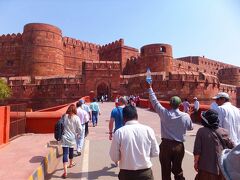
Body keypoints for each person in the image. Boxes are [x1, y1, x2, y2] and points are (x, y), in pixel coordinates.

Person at [146, 82, 193, 180]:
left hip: (166, 145)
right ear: (180, 104)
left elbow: (155, 102)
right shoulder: (185, 116)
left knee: (165, 171)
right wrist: (188, 116)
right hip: (178, 146)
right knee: (178, 170)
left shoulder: (164, 113)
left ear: (170, 104)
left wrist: (150, 88)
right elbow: (190, 128)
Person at [109, 105, 159, 180]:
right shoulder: (148, 130)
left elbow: (114, 157)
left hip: (126, 174)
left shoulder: (119, 132)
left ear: (124, 118)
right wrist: (144, 156)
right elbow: (156, 152)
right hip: (145, 172)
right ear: (136, 116)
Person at [193, 109, 234, 180]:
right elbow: (233, 147)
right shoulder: (224, 132)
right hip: (222, 170)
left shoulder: (201, 131)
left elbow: (197, 151)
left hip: (205, 169)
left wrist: (196, 163)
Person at [61, 104, 82, 178]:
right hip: (72, 137)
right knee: (71, 151)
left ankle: (65, 172)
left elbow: (61, 125)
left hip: (64, 137)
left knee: (65, 153)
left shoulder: (64, 116)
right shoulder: (76, 118)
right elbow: (80, 128)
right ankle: (70, 163)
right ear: (74, 110)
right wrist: (79, 134)